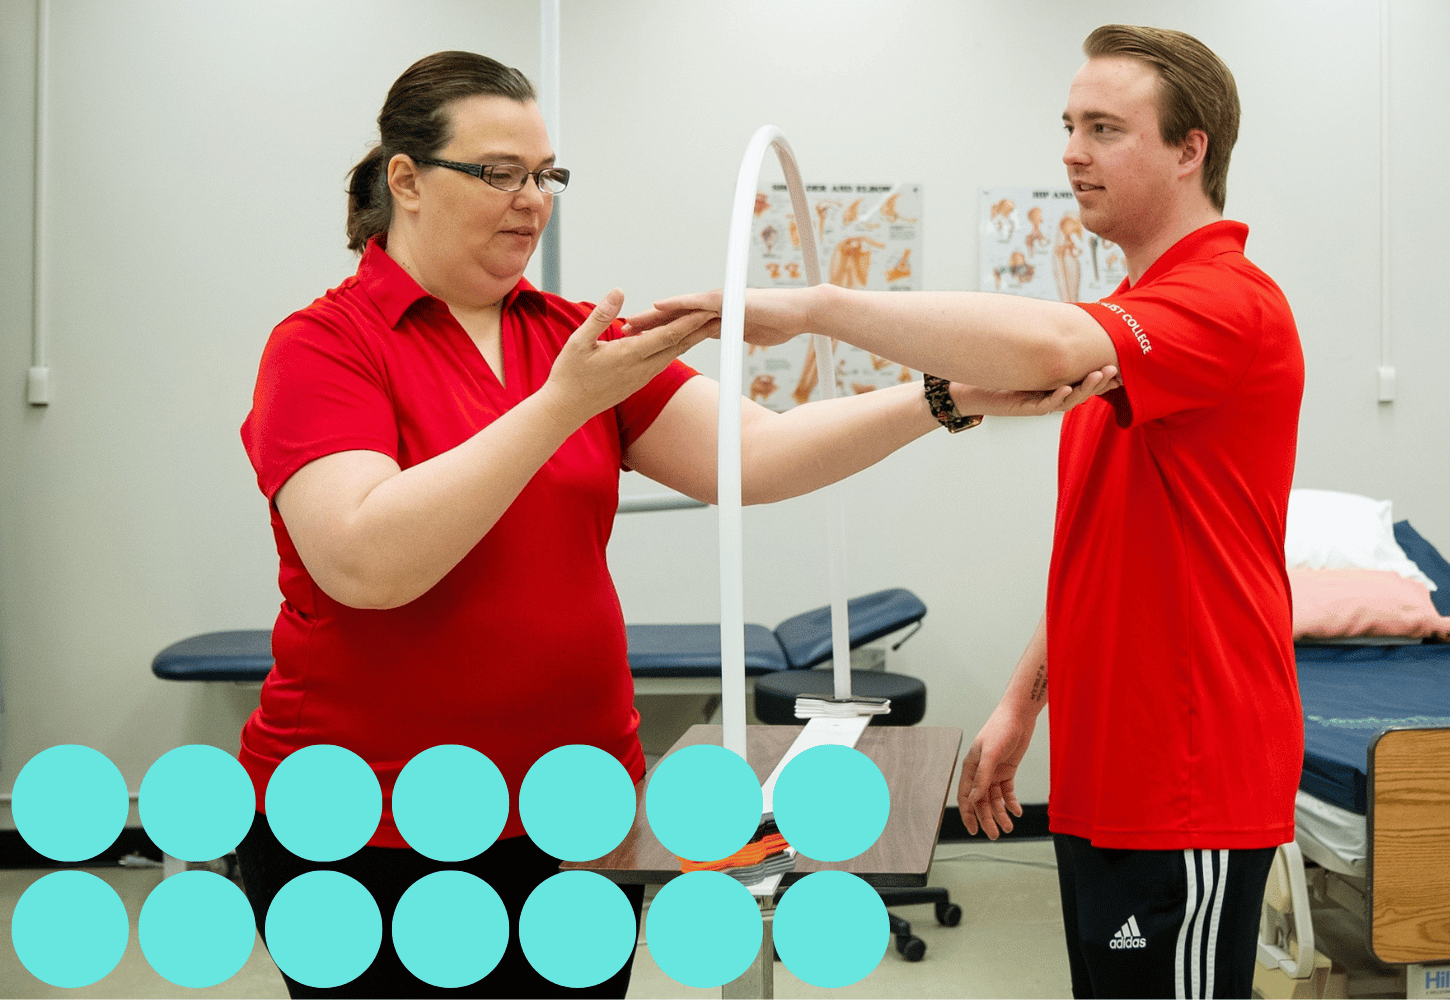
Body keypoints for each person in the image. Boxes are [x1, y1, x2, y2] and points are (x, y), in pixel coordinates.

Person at [235, 50, 1113, 999]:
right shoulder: (326, 347)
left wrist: (944, 397)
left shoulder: (566, 338)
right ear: (405, 179)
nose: (532, 200)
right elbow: (366, 561)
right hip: (369, 819)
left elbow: (755, 453)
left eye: (545, 176)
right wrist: (561, 406)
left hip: (572, 811)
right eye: (499, 173)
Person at [643, 23, 1304, 1000]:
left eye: (1104, 128)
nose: (1071, 151)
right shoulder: (1137, 319)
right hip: (1109, 772)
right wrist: (1018, 702)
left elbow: (1037, 343)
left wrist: (822, 305)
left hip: (1187, 784)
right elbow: (1099, 553)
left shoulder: (1223, 302)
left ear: (1189, 146)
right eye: (1068, 124)